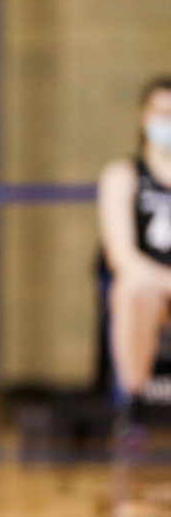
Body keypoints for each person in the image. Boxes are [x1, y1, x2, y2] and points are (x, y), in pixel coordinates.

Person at [98, 76, 171, 439]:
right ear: (144, 117)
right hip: (150, 282)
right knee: (132, 291)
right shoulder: (123, 175)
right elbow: (121, 255)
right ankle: (134, 400)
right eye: (161, 113)